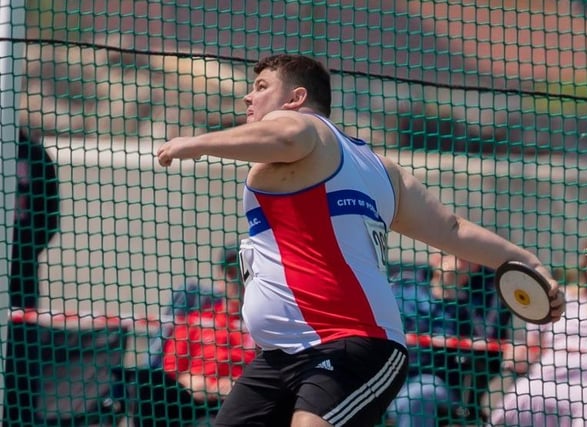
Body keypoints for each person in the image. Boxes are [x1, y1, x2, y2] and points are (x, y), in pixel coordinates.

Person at [156, 53, 564, 427]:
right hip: (281, 356)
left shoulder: (303, 126)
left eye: (262, 86)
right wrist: (529, 262)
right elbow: (453, 231)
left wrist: (192, 144)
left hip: (351, 347)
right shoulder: (381, 169)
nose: (249, 95)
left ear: (296, 97)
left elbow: (284, 138)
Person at [490, 224, 587, 426]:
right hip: (551, 380)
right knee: (523, 395)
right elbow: (532, 347)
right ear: (586, 262)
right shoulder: (561, 297)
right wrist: (520, 355)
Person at [130, 244, 255, 427]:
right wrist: (200, 384)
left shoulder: (261, 329)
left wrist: (234, 387)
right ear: (221, 279)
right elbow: (173, 371)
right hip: (190, 403)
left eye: (243, 274)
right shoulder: (196, 321)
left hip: (239, 404)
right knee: (151, 384)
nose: (237, 281)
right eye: (231, 273)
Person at [387, 253, 511, 427]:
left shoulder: (481, 299)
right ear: (434, 257)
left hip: (441, 385)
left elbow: (485, 342)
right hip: (391, 378)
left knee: (419, 395)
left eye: (463, 256)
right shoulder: (403, 289)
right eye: (447, 253)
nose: (456, 261)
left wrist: (452, 289)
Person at [10, 128, 60, 308]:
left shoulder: (35, 154)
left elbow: (49, 214)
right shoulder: (36, 153)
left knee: (23, 326)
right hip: (25, 261)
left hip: (24, 268)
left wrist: (28, 249)